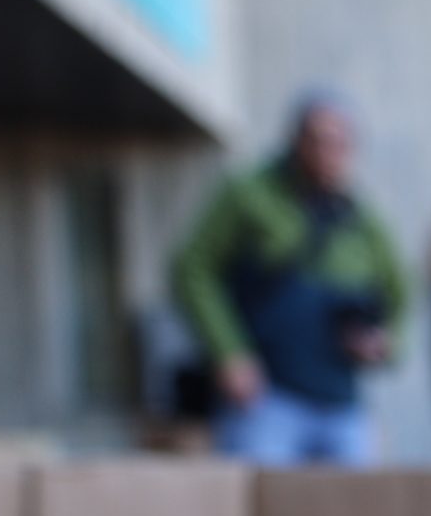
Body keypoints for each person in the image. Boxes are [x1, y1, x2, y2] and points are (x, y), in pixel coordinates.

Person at [174, 90, 407, 467]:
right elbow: (192, 270)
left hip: (341, 402)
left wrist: (383, 342)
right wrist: (228, 351)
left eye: (340, 142)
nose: (328, 153)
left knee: (356, 515)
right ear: (295, 140)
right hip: (266, 396)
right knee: (262, 508)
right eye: (317, 139)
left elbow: (401, 292)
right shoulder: (249, 195)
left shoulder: (362, 220)